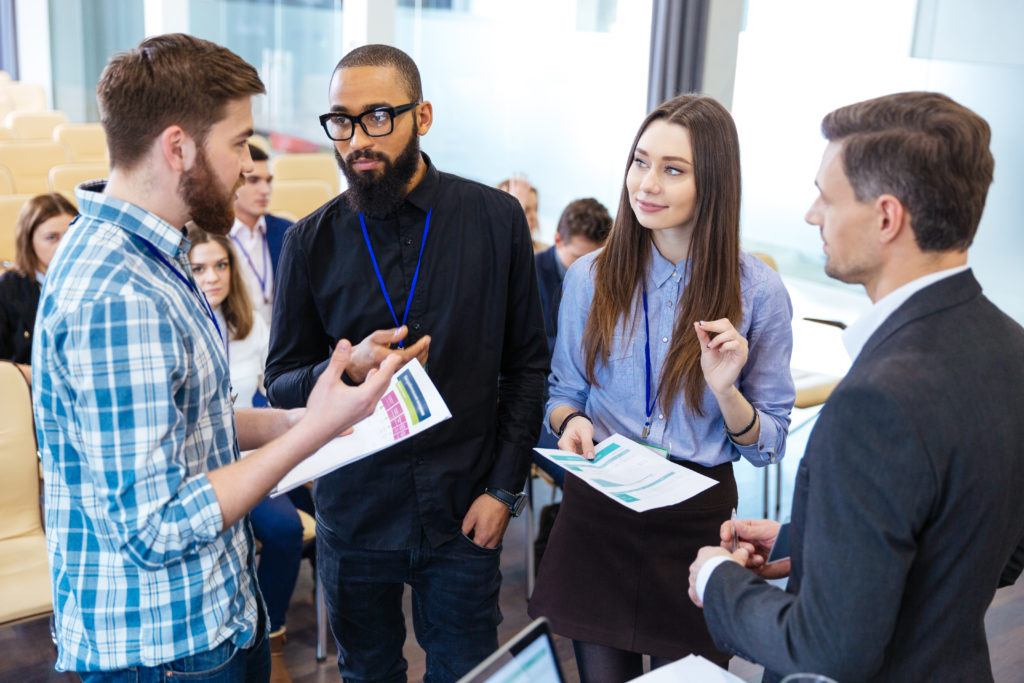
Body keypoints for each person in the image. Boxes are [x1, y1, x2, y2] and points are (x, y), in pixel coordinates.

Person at [32, 33, 400, 681]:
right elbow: (155, 528)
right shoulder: (116, 292)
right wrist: (311, 433)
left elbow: (190, 423)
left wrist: (293, 419)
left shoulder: (157, 251)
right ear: (178, 148)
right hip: (165, 649)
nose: (247, 165)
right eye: (238, 144)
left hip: (213, 618)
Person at [688, 92, 1024, 683]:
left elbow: (829, 649)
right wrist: (811, 539)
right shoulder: (1012, 349)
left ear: (886, 217)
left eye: (826, 195)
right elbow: (995, 553)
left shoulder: (878, 402)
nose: (812, 215)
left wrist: (720, 580)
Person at [264, 44, 548, 682]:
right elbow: (281, 382)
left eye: (378, 117)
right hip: (355, 512)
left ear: (421, 115)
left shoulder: (495, 219)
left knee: (465, 673)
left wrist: (504, 489)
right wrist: (347, 368)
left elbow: (528, 366)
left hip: (465, 508)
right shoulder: (308, 242)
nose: (357, 138)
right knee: (367, 675)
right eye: (341, 120)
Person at [527, 94, 795, 682]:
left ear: (715, 184)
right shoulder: (590, 277)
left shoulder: (759, 292)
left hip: (697, 525)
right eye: (640, 161)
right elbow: (563, 391)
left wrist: (727, 392)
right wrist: (571, 423)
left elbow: (769, 446)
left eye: (673, 170)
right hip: (602, 506)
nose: (646, 184)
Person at [187, 225, 310, 683]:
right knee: (280, 528)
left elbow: (267, 393)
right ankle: (260, 635)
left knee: (303, 520)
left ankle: (273, 631)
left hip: (254, 444)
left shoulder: (250, 324)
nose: (212, 276)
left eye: (221, 265)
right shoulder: (183, 326)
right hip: (210, 461)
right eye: (199, 267)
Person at [533, 197, 613, 484]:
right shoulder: (527, 276)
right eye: (579, 259)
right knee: (585, 477)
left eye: (599, 259)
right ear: (556, 240)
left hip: (595, 398)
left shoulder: (611, 277)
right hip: (539, 402)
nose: (589, 271)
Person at [0, 193, 76, 377]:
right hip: (28, 394)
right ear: (29, 241)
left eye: (70, 235)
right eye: (52, 238)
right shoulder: (7, 289)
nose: (63, 246)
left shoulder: (91, 281)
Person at [231, 143, 293, 326]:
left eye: (268, 180)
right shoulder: (210, 236)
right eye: (254, 180)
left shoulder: (288, 233)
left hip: (279, 341)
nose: (265, 190)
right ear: (232, 182)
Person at [498, 175, 548, 252]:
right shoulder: (493, 251)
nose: (534, 217)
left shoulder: (545, 251)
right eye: (526, 210)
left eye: (535, 209)